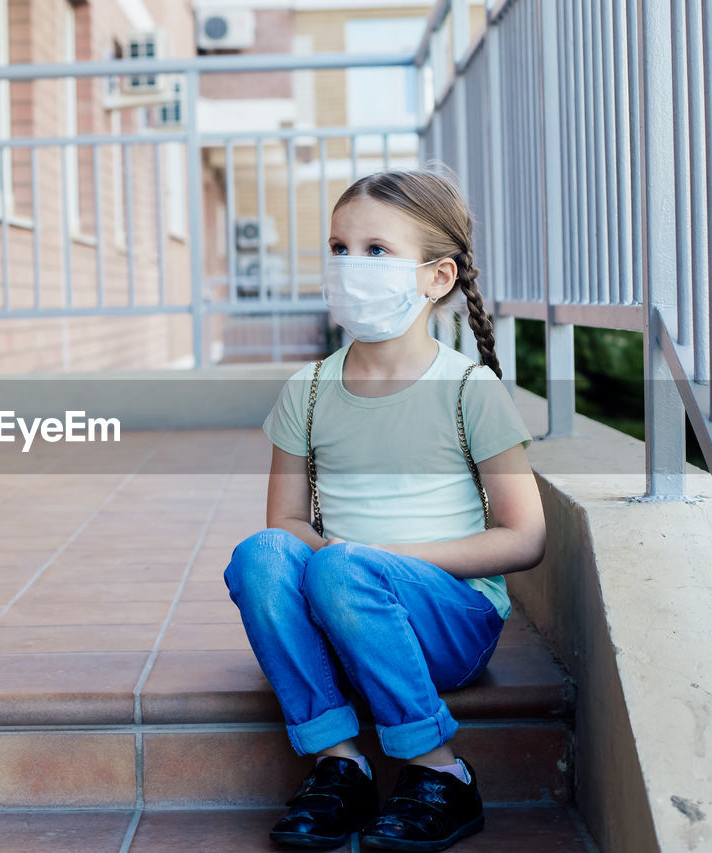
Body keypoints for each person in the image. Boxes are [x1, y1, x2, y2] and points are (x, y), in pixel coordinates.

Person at [223, 168, 546, 852]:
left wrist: (368, 564)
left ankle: (441, 772)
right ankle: (340, 763)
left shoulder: (469, 389)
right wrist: (341, 569)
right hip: (346, 608)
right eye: (339, 248)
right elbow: (284, 522)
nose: (350, 266)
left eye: (376, 251)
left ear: (437, 277)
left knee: (343, 568)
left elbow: (525, 536)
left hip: (448, 620)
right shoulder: (308, 390)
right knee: (258, 554)